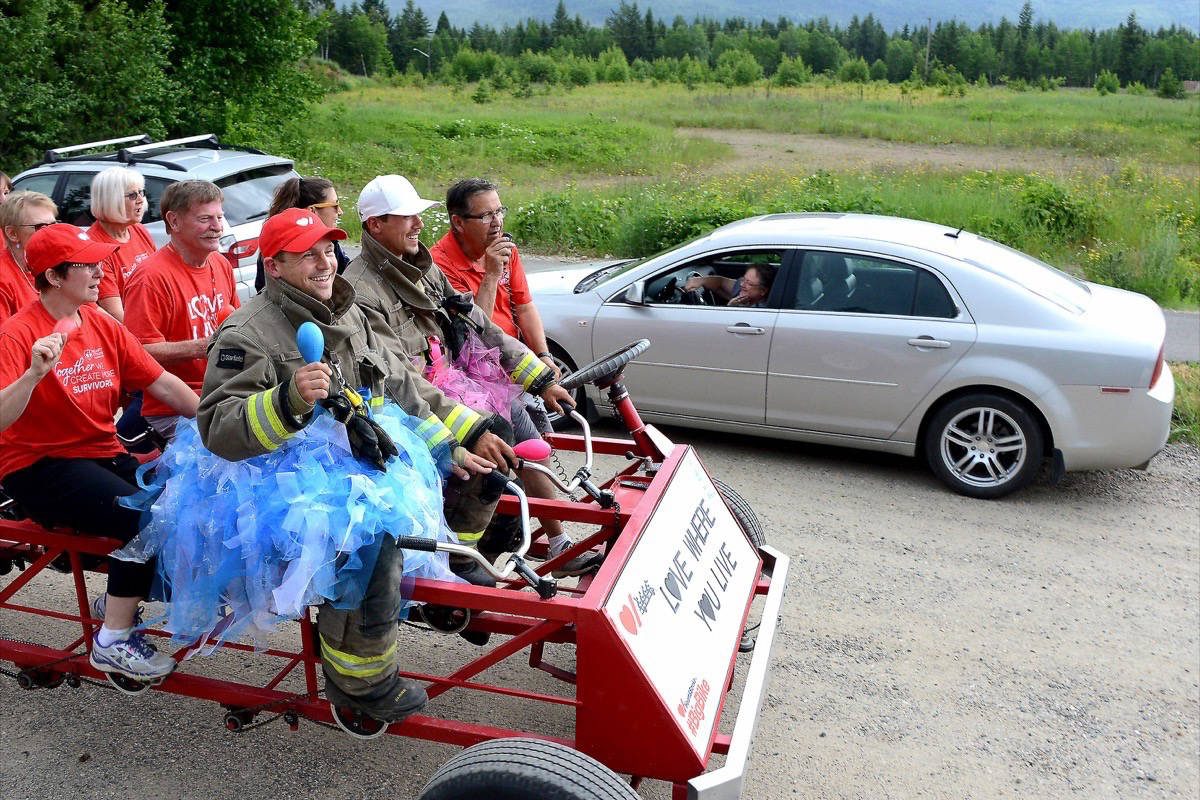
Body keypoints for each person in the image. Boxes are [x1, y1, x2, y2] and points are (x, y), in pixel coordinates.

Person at [194, 208, 493, 722]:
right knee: (370, 541)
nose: (324, 261)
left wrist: (452, 443)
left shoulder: (344, 310)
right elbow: (217, 428)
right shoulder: (247, 332)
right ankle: (361, 684)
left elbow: (394, 384)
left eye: (328, 249)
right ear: (275, 264)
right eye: (306, 254)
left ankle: (443, 589)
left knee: (478, 482)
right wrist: (287, 400)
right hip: (284, 479)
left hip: (361, 446)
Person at [344, 175, 597, 580]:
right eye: (407, 217)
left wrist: (539, 376)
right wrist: (472, 428)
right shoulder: (359, 290)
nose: (419, 225)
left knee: (512, 451)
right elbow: (398, 378)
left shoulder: (420, 268)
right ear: (375, 225)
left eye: (419, 216)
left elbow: (480, 323)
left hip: (450, 387)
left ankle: (496, 548)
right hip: (406, 409)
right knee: (491, 448)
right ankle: (458, 561)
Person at [0, 223, 199, 683]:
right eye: (88, 265)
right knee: (146, 519)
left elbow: (162, 383)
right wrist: (32, 374)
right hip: (38, 467)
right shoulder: (17, 334)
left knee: (181, 507)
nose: (100, 271)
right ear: (54, 276)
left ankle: (115, 602)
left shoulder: (101, 322)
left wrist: (227, 424)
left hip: (99, 453)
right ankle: (111, 643)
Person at [431, 178, 599, 576]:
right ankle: (485, 561)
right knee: (516, 453)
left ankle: (554, 542)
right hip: (469, 379)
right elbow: (471, 334)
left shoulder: (507, 250)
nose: (496, 222)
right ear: (458, 222)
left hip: (510, 365)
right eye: (485, 215)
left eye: (499, 211)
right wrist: (490, 274)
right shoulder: (440, 266)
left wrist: (542, 356)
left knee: (533, 448)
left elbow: (524, 307)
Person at [123, 180, 239, 440]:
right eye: (205, 219)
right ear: (174, 221)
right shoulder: (150, 277)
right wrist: (204, 346)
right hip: (172, 410)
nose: (217, 227)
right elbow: (136, 355)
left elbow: (238, 326)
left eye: (219, 217)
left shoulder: (220, 264)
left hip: (226, 395)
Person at [253, 176, 350, 293]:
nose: (340, 212)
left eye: (328, 251)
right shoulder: (277, 246)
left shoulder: (331, 241)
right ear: (312, 211)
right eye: (335, 205)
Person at [87, 167, 157, 323]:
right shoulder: (95, 246)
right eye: (132, 195)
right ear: (111, 200)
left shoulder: (138, 230)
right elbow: (117, 315)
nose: (141, 200)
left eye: (141, 192)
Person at [0, 191, 57, 325]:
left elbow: (90, 310)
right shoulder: (3, 278)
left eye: (53, 225)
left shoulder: (57, 262)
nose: (51, 232)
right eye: (40, 227)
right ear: (12, 233)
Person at [684, 264, 775, 307]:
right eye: (743, 279)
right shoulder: (746, 294)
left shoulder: (764, 310)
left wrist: (731, 308)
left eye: (749, 283)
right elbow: (720, 283)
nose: (742, 284)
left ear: (763, 291)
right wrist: (701, 281)